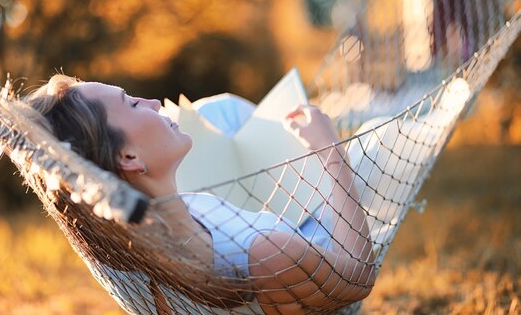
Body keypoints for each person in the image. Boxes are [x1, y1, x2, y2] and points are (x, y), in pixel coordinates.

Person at [24, 74, 376, 315]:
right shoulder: (266, 253)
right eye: (132, 104)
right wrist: (329, 148)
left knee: (217, 110)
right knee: (374, 143)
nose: (153, 102)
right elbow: (360, 275)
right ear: (129, 158)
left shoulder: (118, 255)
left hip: (260, 236)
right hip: (328, 241)